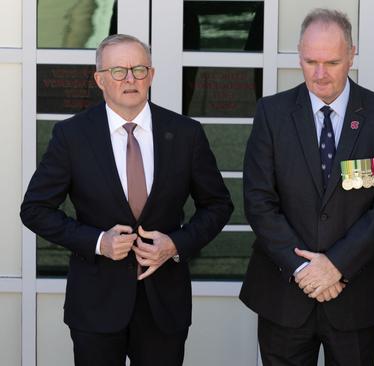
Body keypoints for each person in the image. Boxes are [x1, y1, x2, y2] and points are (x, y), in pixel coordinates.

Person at [20, 34, 233, 365]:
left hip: (164, 303)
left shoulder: (186, 133)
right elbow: (34, 209)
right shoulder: (72, 135)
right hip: (95, 303)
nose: (130, 79)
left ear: (151, 75)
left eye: (138, 69)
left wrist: (175, 245)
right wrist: (97, 242)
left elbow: (219, 205)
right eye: (118, 71)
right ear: (100, 79)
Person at [239, 8, 374, 365]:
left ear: (352, 54)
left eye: (331, 62)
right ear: (299, 55)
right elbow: (258, 200)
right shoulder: (272, 114)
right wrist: (304, 269)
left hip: (357, 294)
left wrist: (337, 265)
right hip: (284, 293)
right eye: (310, 61)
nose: (319, 75)